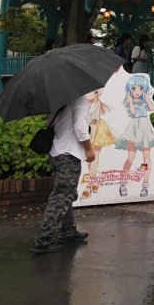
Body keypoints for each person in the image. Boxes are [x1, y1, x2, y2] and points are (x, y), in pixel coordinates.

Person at [32, 95, 94, 254]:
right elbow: (81, 128)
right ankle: (43, 238)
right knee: (61, 197)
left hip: (56, 153)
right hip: (69, 154)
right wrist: (89, 149)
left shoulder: (58, 101)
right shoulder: (80, 101)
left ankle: (68, 231)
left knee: (68, 193)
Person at [113, 75, 154, 197]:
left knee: (146, 157)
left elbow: (152, 108)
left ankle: (145, 185)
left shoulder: (144, 100)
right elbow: (132, 113)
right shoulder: (127, 100)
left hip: (145, 128)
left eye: (141, 88)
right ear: (130, 89)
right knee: (131, 157)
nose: (137, 91)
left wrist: (147, 99)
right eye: (134, 88)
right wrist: (130, 101)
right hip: (134, 129)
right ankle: (123, 182)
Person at [80, 90, 116, 200]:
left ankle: (88, 185)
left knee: (94, 155)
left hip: (97, 129)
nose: (91, 94)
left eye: (95, 92)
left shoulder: (96, 103)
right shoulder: (79, 103)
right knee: (89, 158)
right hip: (85, 129)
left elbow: (94, 120)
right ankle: (95, 180)